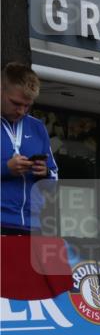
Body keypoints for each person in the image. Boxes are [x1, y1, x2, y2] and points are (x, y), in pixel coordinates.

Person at [1, 62, 58, 235]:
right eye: (16, 103)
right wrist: (6, 168)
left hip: (32, 227)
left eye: (27, 105)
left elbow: (55, 179)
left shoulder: (37, 127)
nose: (21, 111)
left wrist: (45, 173)